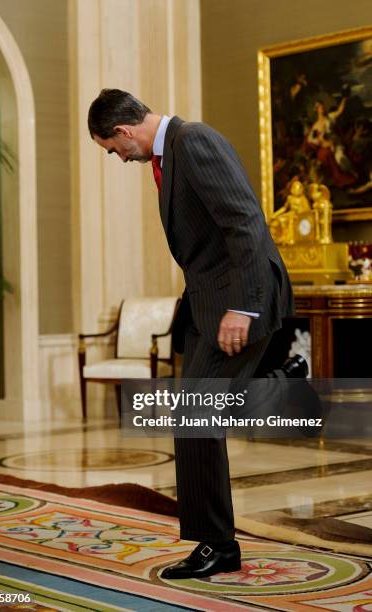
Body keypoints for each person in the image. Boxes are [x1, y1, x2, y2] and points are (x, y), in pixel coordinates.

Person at [87, 89, 297, 579]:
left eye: (113, 150)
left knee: (194, 417)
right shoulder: (172, 152)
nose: (119, 159)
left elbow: (245, 222)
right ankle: (282, 380)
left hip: (240, 300)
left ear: (123, 130)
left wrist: (241, 308)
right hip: (209, 305)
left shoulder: (195, 140)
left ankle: (217, 546)